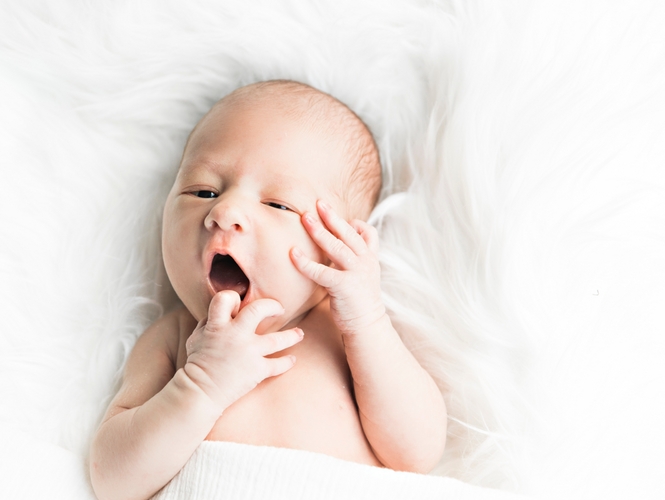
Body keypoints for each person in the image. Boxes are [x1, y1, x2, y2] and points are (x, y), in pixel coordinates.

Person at [89, 80, 447, 500]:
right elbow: (113, 480)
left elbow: (418, 452)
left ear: (336, 249)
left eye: (278, 205)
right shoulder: (176, 338)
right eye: (202, 191)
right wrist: (201, 386)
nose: (224, 212)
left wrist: (369, 319)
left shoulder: (345, 336)